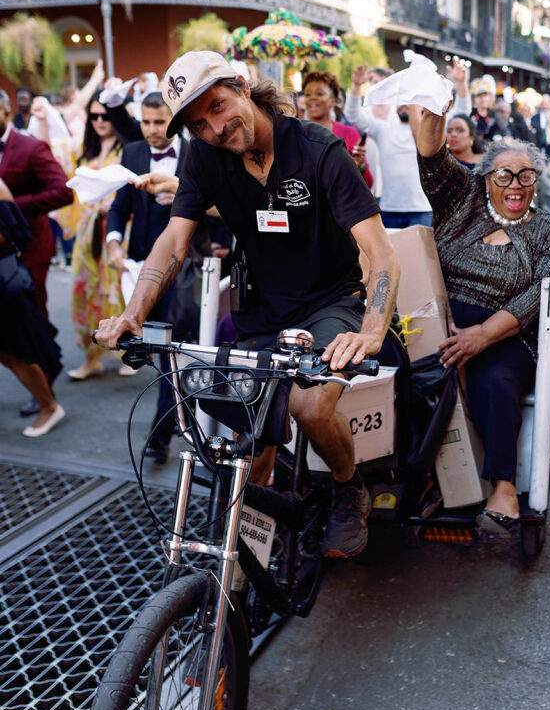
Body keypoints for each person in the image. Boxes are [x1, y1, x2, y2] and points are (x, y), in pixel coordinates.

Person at [95, 51, 399, 559]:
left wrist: (370, 329)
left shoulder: (318, 149)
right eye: (198, 124)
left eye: (218, 107)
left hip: (330, 302)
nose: (215, 128)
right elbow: (174, 240)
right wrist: (134, 312)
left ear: (240, 85)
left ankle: (348, 487)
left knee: (308, 403)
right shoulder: (203, 157)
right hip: (261, 310)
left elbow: (381, 251)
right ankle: (238, 568)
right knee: (249, 443)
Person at [411, 107, 550, 529]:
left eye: (525, 175)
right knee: (401, 377)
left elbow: (542, 295)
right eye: (503, 175)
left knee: (497, 384)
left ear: (536, 181)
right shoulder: (461, 207)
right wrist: (428, 108)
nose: (514, 184)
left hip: (507, 339)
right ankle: (410, 479)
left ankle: (504, 486)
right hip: (439, 325)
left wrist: (481, 336)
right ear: (486, 179)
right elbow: (432, 162)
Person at [106, 91, 195, 465]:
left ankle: (162, 434)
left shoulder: (197, 156)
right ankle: (176, 419)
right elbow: (118, 206)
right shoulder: (133, 153)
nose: (152, 130)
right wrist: (113, 242)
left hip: (189, 267)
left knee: (174, 350)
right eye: (146, 122)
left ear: (173, 120)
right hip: (143, 269)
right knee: (159, 350)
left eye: (159, 122)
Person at [66, 91, 143, 381]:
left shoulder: (128, 150)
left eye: (105, 115)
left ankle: (125, 351)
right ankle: (91, 357)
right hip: (87, 236)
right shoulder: (85, 149)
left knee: (117, 291)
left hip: (117, 231)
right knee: (85, 292)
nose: (100, 121)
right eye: (94, 115)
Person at [0, 177, 65, 436]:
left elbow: (12, 236)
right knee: (6, 353)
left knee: (16, 351)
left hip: (4, 286)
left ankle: (49, 406)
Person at [0, 89, 74, 317]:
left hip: (30, 250)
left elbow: (64, 192)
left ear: (6, 111)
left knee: (34, 321)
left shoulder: (31, 147)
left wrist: (10, 206)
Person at [346, 63, 431, 227]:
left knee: (420, 254)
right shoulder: (383, 128)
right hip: (389, 209)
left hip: (422, 210)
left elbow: (459, 112)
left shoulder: (428, 131)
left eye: (410, 100)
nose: (404, 105)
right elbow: (353, 115)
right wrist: (356, 86)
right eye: (400, 100)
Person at [301, 71, 373, 189]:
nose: (312, 97)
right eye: (308, 94)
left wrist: (360, 167)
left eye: (319, 93)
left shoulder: (349, 133)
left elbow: (368, 184)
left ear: (333, 101)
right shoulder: (293, 132)